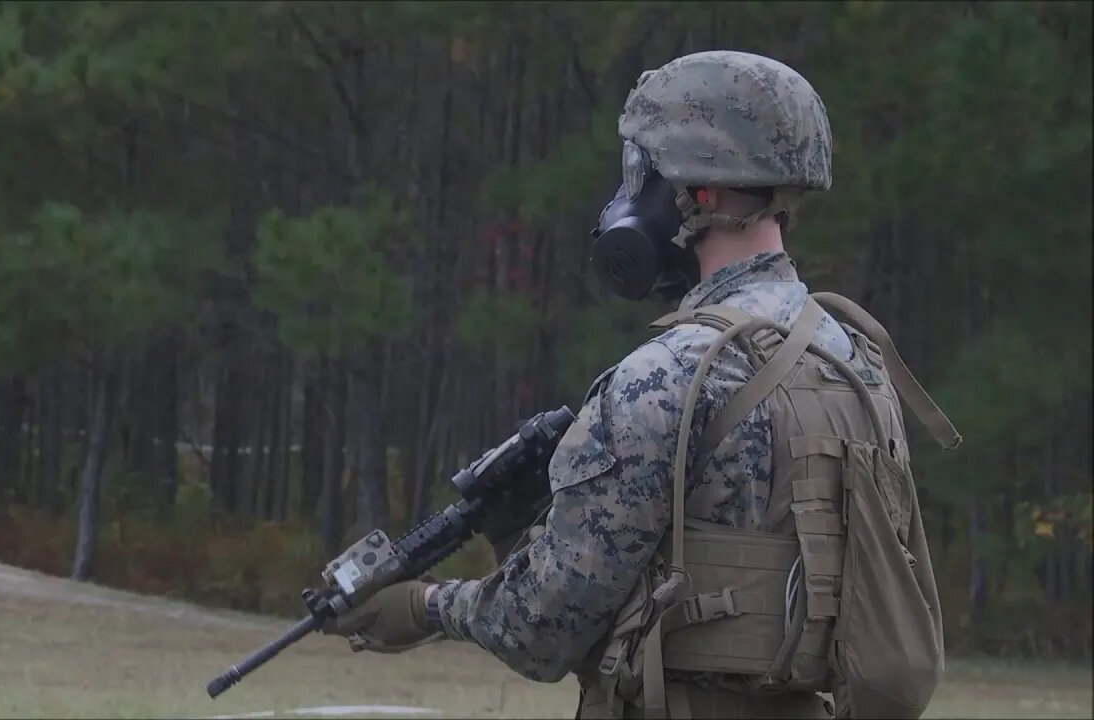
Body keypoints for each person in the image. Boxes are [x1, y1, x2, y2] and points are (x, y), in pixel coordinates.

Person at [323, 50, 959, 720]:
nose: (632, 195)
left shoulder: (663, 376)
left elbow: (538, 631)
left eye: (643, 172)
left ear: (697, 191)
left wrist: (425, 607)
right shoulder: (859, 362)